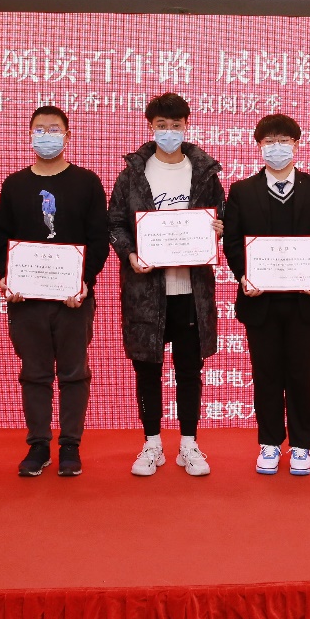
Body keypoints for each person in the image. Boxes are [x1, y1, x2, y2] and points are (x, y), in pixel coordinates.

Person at [108, 93, 225, 477]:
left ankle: (189, 444)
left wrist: (218, 229)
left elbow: (221, 216)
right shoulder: (133, 174)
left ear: (186, 125)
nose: (169, 132)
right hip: (145, 292)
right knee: (147, 371)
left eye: (176, 125)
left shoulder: (204, 173)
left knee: (189, 371)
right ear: (151, 127)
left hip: (192, 292)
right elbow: (115, 224)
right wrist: (129, 254)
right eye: (162, 125)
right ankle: (152, 443)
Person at [222, 113, 310, 476]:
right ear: (259, 147)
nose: (277, 148)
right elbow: (233, 241)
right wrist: (244, 276)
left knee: (302, 374)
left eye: (284, 141)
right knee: (267, 374)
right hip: (260, 300)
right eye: (269, 141)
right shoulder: (242, 190)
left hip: (305, 300)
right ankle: (270, 443)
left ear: (296, 145)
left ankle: (302, 445)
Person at [0, 106, 109, 477]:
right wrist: (8, 277)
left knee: (74, 372)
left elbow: (98, 239)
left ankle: (70, 445)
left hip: (74, 299)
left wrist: (84, 281)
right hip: (26, 300)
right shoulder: (14, 184)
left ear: (67, 136)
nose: (47, 136)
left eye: (54, 129)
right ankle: (39, 444)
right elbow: (2, 237)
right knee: (34, 372)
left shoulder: (87, 182)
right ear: (30, 135)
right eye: (40, 129)